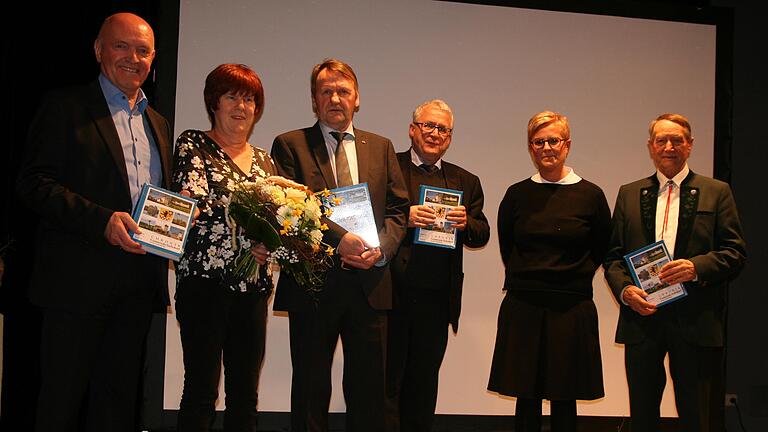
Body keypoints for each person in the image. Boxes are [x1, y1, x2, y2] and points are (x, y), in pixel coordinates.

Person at [15, 13, 172, 432]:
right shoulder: (65, 106)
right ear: (99, 50)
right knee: (60, 404)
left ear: (153, 59)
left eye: (143, 51)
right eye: (121, 46)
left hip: (138, 284)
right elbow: (34, 183)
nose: (132, 58)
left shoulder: (158, 123)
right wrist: (101, 221)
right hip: (76, 284)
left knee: (117, 405)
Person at [270, 58, 409, 432]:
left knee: (369, 393)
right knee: (311, 390)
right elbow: (288, 209)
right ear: (314, 101)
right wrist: (340, 240)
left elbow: (399, 208)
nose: (335, 98)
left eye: (343, 91)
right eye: (326, 91)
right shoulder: (290, 145)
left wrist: (382, 249)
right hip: (314, 285)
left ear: (357, 98)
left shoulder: (381, 146)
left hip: (371, 284)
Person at [604, 113, 746, 431]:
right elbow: (613, 258)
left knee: (698, 416)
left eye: (677, 140)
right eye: (661, 140)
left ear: (690, 145)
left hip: (696, 320)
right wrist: (626, 292)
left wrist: (696, 267)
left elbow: (735, 252)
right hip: (643, 319)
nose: (669, 146)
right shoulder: (629, 193)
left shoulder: (716, 191)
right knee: (642, 416)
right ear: (651, 147)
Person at [487, 111, 610, 432]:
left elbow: (601, 248)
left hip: (572, 307)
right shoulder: (516, 195)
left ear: (567, 145)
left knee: (564, 397)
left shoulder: (591, 195)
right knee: (525, 397)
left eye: (553, 140)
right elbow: (507, 247)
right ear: (531, 148)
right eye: (538, 142)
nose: (546, 148)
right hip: (524, 305)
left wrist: (569, 278)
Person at [171, 63, 276, 432]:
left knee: (245, 394)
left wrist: (270, 243)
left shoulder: (265, 160)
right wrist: (253, 227)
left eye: (249, 99)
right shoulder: (193, 143)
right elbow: (197, 206)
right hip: (204, 285)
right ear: (214, 102)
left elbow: (277, 221)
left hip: (252, 291)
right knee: (201, 389)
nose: (241, 106)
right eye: (232, 96)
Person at [385, 99, 490, 431]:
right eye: (428, 126)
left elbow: (481, 233)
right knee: (387, 383)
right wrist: (406, 217)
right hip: (391, 296)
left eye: (442, 128)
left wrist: (465, 224)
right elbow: (370, 220)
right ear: (412, 130)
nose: (434, 134)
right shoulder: (388, 167)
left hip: (436, 300)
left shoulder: (466, 180)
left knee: (424, 382)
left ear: (450, 136)